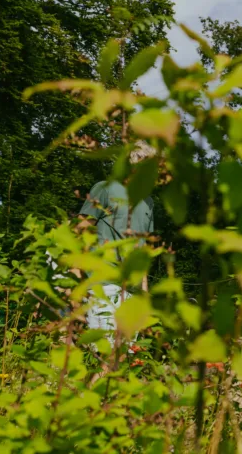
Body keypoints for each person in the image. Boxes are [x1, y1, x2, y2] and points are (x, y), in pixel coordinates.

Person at [74, 140, 157, 340]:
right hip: (104, 283)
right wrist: (76, 279)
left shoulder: (148, 202)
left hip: (133, 290)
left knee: (126, 357)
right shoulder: (105, 189)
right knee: (106, 356)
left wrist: (144, 292)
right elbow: (79, 233)